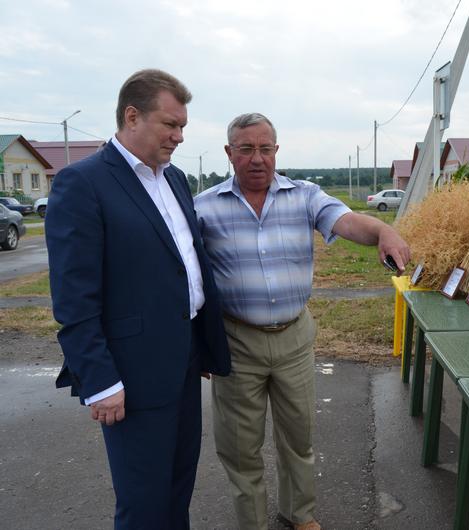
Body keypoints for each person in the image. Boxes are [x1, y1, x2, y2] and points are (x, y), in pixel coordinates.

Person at [195, 113, 410, 530]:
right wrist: (196, 343)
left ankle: (299, 514)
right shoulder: (203, 208)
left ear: (277, 151)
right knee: (241, 447)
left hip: (293, 338)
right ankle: (252, 522)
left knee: (298, 437)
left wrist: (382, 230)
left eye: (265, 148)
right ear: (229, 153)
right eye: (246, 149)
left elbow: (347, 222)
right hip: (236, 341)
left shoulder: (305, 195)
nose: (257, 158)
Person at [46, 69, 231, 529]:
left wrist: (202, 342)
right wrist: (100, 382)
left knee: (177, 489)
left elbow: (185, 261)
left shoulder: (174, 180)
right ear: (132, 116)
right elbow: (74, 298)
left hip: (185, 359)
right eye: (171, 124)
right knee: (143, 503)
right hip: (130, 373)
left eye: (183, 126)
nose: (179, 136)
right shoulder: (83, 183)